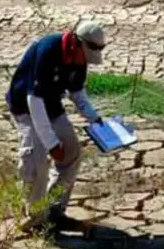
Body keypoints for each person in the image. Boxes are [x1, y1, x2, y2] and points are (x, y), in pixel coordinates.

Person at [6, 20, 106, 231]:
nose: (84, 62)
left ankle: (53, 211)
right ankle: (34, 219)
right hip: (25, 105)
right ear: (77, 44)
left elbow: (77, 93)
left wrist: (95, 119)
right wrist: (51, 143)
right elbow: (34, 100)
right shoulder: (48, 49)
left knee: (72, 153)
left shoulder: (80, 59)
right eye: (85, 56)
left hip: (51, 104)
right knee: (36, 160)